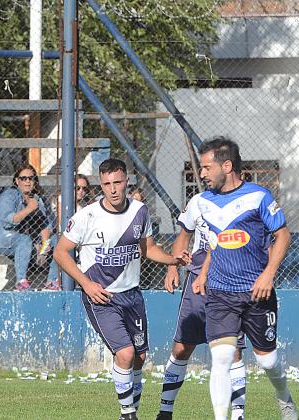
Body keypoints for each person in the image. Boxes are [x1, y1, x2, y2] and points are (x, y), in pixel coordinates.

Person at [53, 158, 190, 420]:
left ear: (127, 181)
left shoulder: (140, 211)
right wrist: (86, 283)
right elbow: (60, 253)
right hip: (101, 296)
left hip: (132, 294)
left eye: (117, 182)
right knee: (125, 353)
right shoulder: (86, 216)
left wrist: (174, 260)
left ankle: (132, 411)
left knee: (139, 357)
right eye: (107, 184)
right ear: (101, 186)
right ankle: (127, 414)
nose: (113, 189)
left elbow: (147, 249)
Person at [190, 137, 298, 420]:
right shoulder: (204, 202)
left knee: (268, 360)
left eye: (206, 167)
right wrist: (203, 273)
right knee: (222, 358)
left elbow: (283, 235)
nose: (201, 174)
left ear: (226, 166)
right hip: (221, 293)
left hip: (256, 293)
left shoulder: (259, 196)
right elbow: (219, 242)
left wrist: (268, 275)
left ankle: (284, 397)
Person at [156, 191, 246, 420]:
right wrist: (172, 266)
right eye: (203, 168)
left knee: (232, 351)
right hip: (197, 281)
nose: (204, 173)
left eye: (209, 167)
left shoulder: (246, 201)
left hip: (231, 283)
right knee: (181, 348)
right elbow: (183, 237)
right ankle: (165, 411)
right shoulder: (197, 201)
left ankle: (238, 415)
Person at [0, 164, 60, 291]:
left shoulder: (36, 198)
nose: (27, 181)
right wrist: (29, 209)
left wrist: (44, 244)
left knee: (58, 241)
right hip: (3, 240)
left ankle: (52, 282)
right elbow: (8, 223)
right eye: (23, 178)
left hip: (28, 241)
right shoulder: (9, 196)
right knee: (24, 240)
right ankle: (21, 282)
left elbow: (44, 223)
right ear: (17, 181)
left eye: (31, 178)